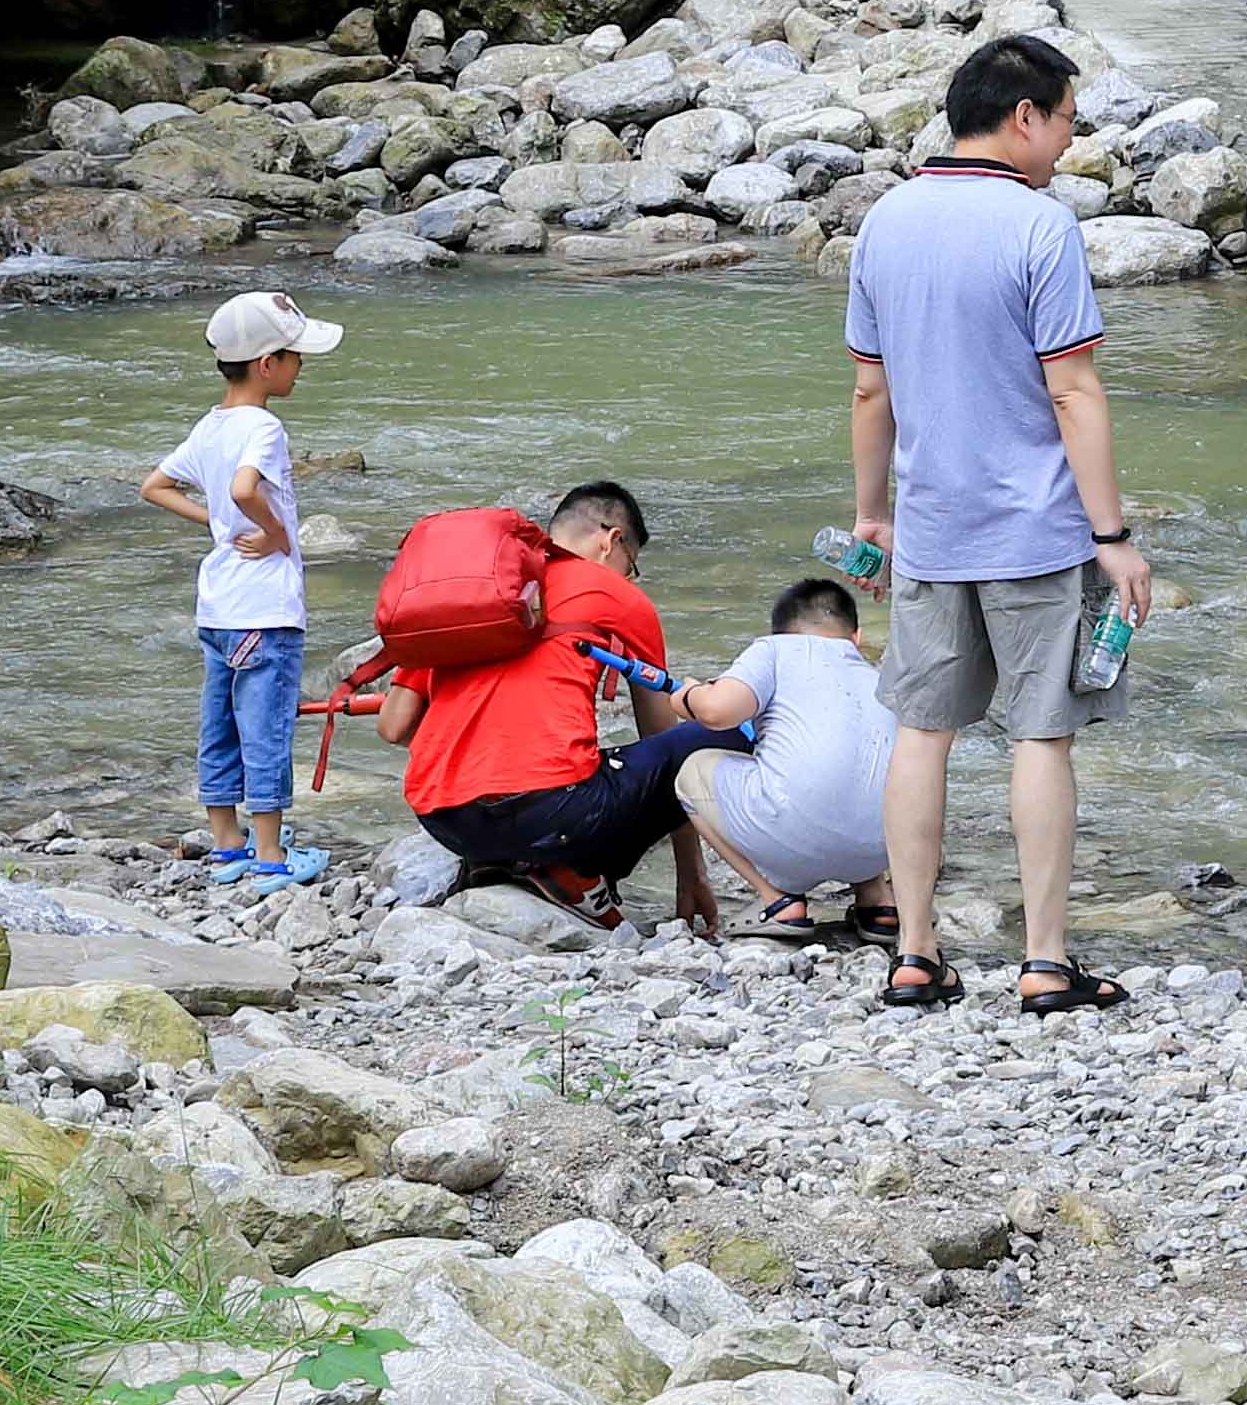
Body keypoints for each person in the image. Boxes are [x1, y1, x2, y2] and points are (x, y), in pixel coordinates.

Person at [846, 33, 1146, 1017]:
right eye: (1065, 118)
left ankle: (916, 953)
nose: (1066, 140)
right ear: (1024, 114)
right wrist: (1112, 534)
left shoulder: (884, 221)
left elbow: (867, 390)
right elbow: (1073, 388)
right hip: (1036, 532)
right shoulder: (1039, 224)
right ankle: (1046, 960)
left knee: (921, 732)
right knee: (1040, 737)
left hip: (931, 530)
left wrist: (872, 516)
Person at [386, 481, 727, 923]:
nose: (627, 577)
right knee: (706, 737)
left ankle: (503, 859)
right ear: (612, 540)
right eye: (631, 565)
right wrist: (691, 874)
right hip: (555, 816)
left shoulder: (471, 596)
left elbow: (393, 727)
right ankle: (575, 869)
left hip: (445, 820)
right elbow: (660, 738)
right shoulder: (616, 594)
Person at [145, 290, 337, 890]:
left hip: (219, 606)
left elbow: (155, 485)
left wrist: (216, 526)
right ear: (266, 365)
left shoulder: (210, 425)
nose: (301, 366)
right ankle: (272, 856)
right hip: (266, 609)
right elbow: (245, 486)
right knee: (266, 727)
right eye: (295, 355)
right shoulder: (265, 426)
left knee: (219, 723)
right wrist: (277, 533)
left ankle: (226, 845)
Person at [669, 579, 903, 941]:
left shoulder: (774, 650)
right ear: (856, 637)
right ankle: (878, 902)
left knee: (692, 771)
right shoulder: (877, 675)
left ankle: (777, 901)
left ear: (780, 631)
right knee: (864, 773)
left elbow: (717, 712)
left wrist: (687, 697)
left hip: (796, 838)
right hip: (882, 848)